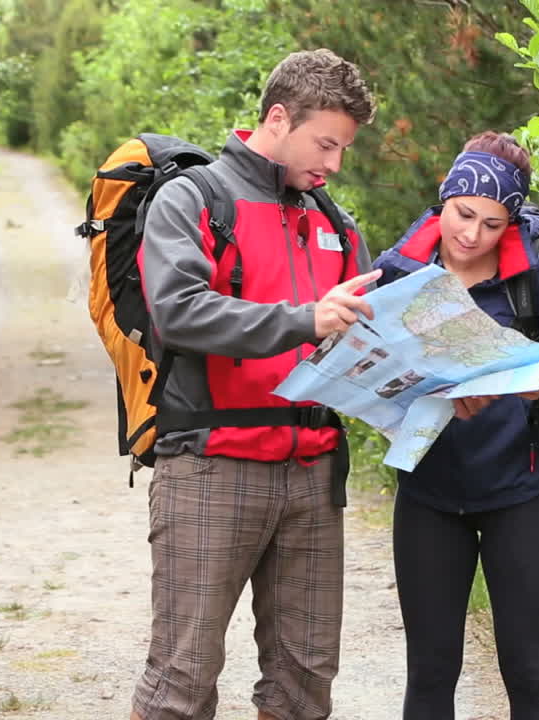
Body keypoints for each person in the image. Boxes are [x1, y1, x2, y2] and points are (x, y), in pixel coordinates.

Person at [131, 49, 379, 720]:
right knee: (181, 679)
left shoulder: (337, 225)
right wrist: (305, 320)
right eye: (326, 143)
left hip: (311, 477)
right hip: (211, 467)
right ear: (278, 117)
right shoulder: (194, 199)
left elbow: (355, 345)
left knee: (304, 685)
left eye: (343, 148)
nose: (334, 164)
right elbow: (177, 309)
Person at [372, 132, 539, 719]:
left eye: (493, 223)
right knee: (430, 673)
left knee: (528, 670)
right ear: (443, 199)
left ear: (513, 221)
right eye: (463, 214)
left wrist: (534, 382)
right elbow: (368, 366)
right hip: (428, 494)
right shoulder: (394, 272)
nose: (472, 235)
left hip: (521, 494)